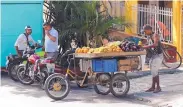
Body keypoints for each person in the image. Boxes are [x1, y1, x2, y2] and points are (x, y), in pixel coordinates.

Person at [142, 24, 163, 93]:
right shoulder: (149, 36)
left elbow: (155, 44)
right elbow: (149, 44)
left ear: (149, 30)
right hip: (153, 56)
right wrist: (144, 45)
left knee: (155, 71)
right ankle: (153, 87)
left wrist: (146, 47)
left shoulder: (155, 35)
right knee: (153, 71)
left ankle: (158, 87)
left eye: (145, 31)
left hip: (158, 56)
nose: (144, 33)